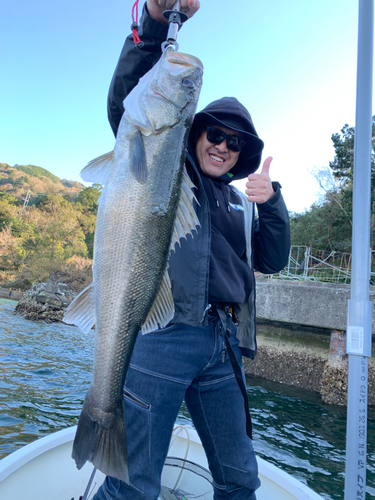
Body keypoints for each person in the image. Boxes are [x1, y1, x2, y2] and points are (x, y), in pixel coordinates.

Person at [94, 1, 290, 499]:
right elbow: (127, 107)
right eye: (214, 133)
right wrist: (156, 23)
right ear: (194, 133)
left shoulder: (243, 207)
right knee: (134, 487)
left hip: (223, 348)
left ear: (241, 154)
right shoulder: (165, 167)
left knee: (240, 479)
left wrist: (274, 203)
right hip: (163, 336)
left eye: (234, 142)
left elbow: (273, 261)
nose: (222, 145)